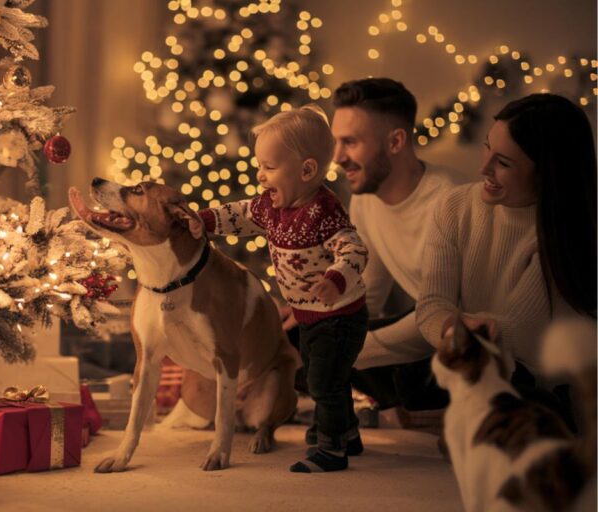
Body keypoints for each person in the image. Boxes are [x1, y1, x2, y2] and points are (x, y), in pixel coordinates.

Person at [196, 104, 369, 473]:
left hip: (340, 316)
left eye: (269, 168)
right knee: (327, 376)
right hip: (310, 315)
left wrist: (334, 279)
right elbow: (241, 214)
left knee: (323, 381)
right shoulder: (273, 206)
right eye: (259, 166)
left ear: (307, 170)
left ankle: (332, 449)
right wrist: (205, 220)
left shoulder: (324, 211)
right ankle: (347, 431)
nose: (260, 176)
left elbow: (354, 249)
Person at [417, 93, 596, 427]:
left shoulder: (568, 233)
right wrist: (454, 325)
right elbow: (429, 306)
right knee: (403, 374)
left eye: (503, 162)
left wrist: (459, 324)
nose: (482, 167)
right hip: (469, 353)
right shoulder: (455, 207)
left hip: (534, 379)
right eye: (487, 147)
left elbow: (519, 334)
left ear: (546, 174)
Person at [328, 78, 468, 422]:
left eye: (350, 142)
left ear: (395, 141)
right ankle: (392, 406)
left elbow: (450, 316)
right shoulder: (363, 199)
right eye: (336, 142)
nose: (337, 157)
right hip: (419, 335)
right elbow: (368, 295)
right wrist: (313, 312)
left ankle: (406, 407)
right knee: (305, 337)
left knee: (404, 374)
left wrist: (350, 352)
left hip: (459, 337)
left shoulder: (452, 201)